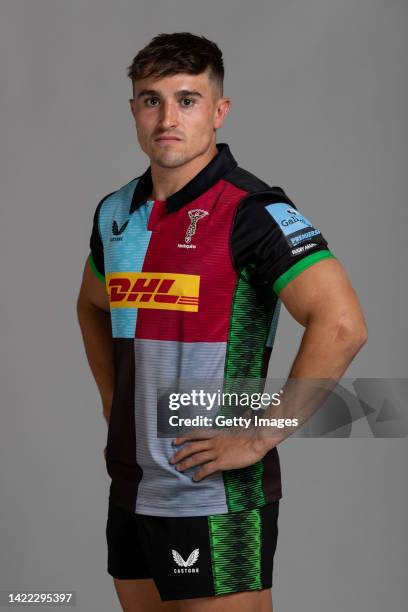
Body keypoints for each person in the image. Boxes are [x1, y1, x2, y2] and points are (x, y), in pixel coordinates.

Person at [76, 32, 368, 612]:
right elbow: (91, 304)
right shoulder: (115, 211)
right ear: (133, 109)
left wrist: (261, 435)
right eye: (151, 99)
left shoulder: (252, 211)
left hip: (213, 496)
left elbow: (341, 325)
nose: (167, 116)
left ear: (218, 111)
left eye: (187, 99)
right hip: (132, 488)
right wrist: (114, 400)